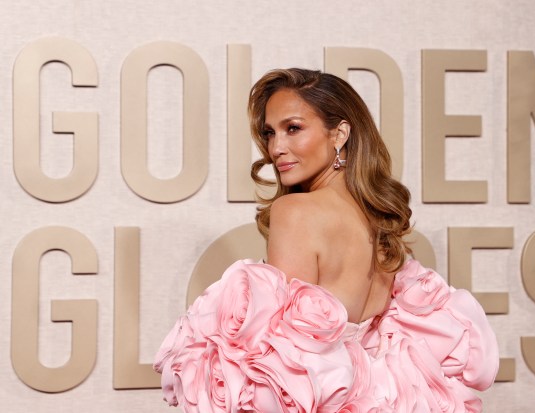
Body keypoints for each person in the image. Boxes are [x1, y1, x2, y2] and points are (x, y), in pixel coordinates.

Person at [153, 68, 499, 412]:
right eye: (270, 133)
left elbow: (282, 360)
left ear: (340, 133)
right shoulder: (376, 217)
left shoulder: (295, 212)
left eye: (293, 129)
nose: (276, 147)